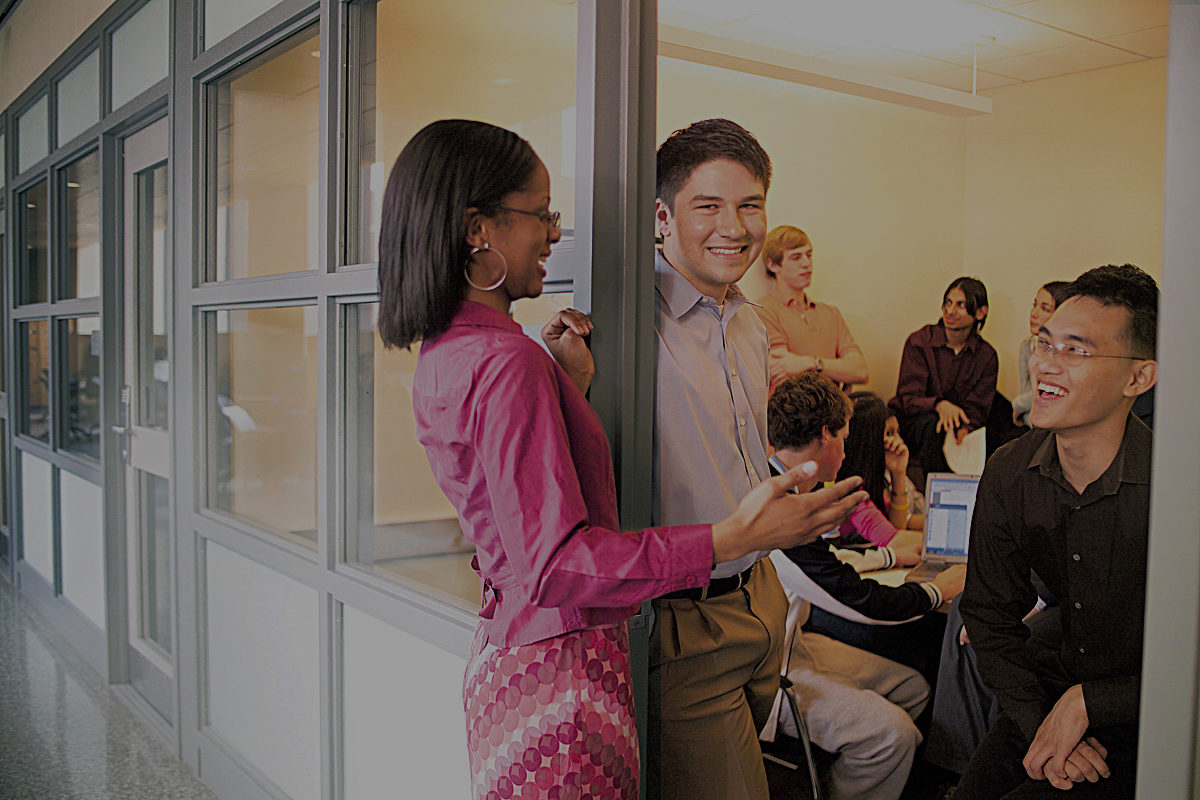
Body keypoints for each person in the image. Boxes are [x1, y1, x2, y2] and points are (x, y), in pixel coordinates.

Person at [376, 119, 866, 800]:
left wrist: (568, 389)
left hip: (740, 602)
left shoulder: (477, 349)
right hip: (608, 642)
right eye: (540, 214)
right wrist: (733, 537)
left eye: (750, 206)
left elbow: (509, 500)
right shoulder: (597, 331)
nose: (554, 233)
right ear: (476, 229)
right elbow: (552, 563)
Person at [650, 119, 866, 800]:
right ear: (662, 215)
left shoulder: (745, 323)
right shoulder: (628, 321)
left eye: (749, 206)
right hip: (685, 617)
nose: (733, 227)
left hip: (761, 597)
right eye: (707, 206)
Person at [957, 264, 1158, 799]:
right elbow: (989, 615)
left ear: (1138, 378)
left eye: (1077, 350)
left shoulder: (1177, 488)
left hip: (1158, 713)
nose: (1046, 364)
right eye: (1044, 343)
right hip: (1054, 698)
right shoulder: (1009, 471)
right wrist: (1044, 714)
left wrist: (1094, 702)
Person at [760, 373, 938, 800]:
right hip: (768, 666)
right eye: (844, 434)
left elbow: (830, 563)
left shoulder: (795, 488)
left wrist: (891, 556)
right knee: (894, 736)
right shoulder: (781, 508)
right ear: (826, 436)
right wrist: (939, 589)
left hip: (793, 642)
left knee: (913, 686)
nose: (847, 446)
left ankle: (831, 774)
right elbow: (860, 602)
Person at [889, 276, 998, 486]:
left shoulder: (987, 355)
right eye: (948, 303)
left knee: (996, 435)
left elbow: (979, 406)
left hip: (959, 423)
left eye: (960, 305)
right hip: (916, 420)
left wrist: (966, 427)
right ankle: (940, 492)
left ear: (980, 312)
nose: (950, 311)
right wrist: (940, 405)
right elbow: (909, 398)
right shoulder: (920, 342)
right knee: (934, 427)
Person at [753, 225, 869, 391]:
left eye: (809, 255)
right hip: (794, 411)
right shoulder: (763, 311)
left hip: (836, 410)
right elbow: (783, 374)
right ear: (773, 265)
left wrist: (810, 363)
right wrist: (838, 370)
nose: (807, 263)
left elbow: (860, 371)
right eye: (796, 257)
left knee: (873, 406)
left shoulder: (831, 314)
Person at [1013, 281, 1071, 426]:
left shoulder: (1067, 353)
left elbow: (1030, 400)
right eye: (1035, 305)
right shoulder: (1028, 346)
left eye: (1045, 308)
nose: (1034, 314)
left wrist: (1017, 405)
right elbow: (1031, 396)